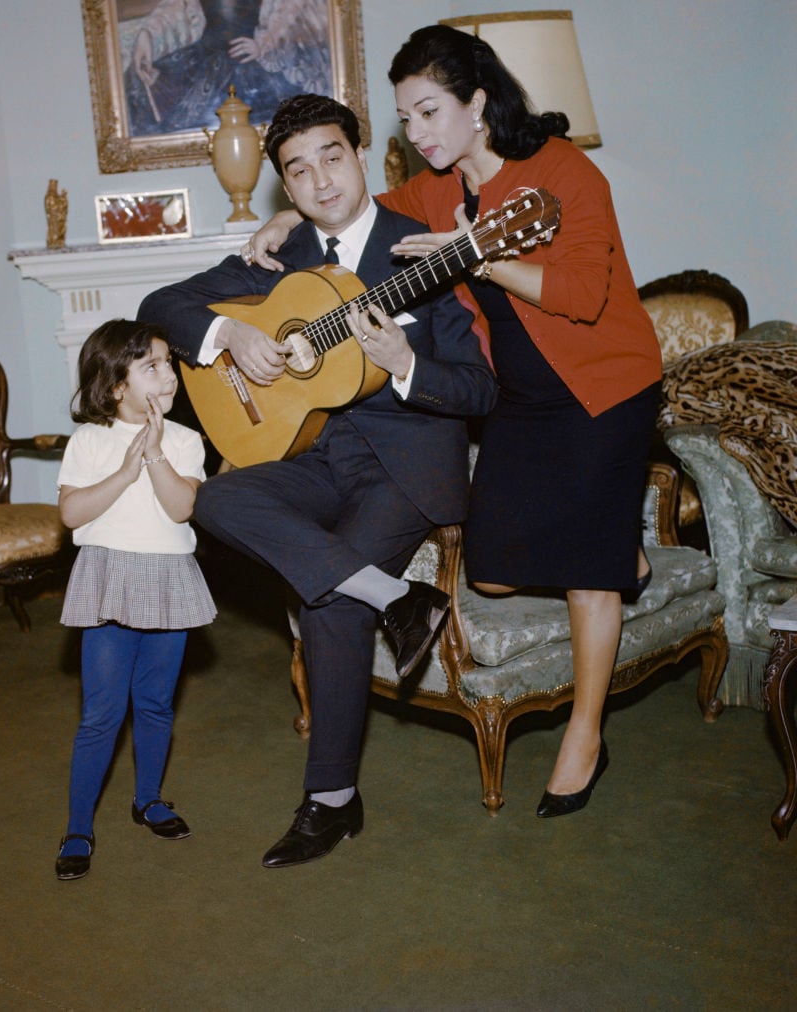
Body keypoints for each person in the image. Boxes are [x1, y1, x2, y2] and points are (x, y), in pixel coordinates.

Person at [247, 25, 663, 819]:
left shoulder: (562, 171)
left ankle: (585, 735)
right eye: (407, 120)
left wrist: (476, 254)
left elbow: (580, 294)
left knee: (585, 573)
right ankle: (620, 552)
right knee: (492, 567)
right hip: (520, 398)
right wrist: (283, 226)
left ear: (478, 103)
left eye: (431, 112)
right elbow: (363, 208)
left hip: (601, 387)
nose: (419, 134)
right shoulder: (436, 188)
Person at [139, 93, 496, 868]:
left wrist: (406, 366)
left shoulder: (422, 251)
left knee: (325, 596)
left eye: (333, 157)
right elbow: (158, 306)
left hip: (402, 468)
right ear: (284, 186)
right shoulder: (281, 255)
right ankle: (397, 600)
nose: (320, 180)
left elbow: (480, 389)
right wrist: (229, 330)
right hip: (307, 457)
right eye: (298, 170)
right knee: (218, 497)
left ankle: (330, 799)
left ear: (360, 155)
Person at [54, 320, 217, 881]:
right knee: (102, 713)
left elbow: (180, 509)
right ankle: (78, 826)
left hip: (170, 578)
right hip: (108, 579)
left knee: (154, 703)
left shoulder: (186, 440)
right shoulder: (89, 440)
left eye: (169, 363)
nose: (169, 375)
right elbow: (72, 514)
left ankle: (148, 798)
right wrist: (125, 468)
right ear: (115, 383)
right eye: (152, 366)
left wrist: (153, 457)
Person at [126, 0, 330, 135]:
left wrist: (263, 43)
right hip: (203, 56)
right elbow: (174, 8)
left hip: (245, 61)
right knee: (139, 84)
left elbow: (289, 11)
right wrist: (147, 34)